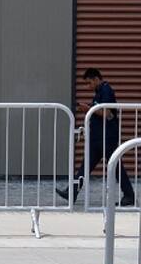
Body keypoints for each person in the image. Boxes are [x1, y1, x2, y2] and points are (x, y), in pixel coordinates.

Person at [58, 68, 135, 206]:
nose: (88, 86)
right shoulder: (100, 92)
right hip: (98, 138)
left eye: (89, 83)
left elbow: (105, 112)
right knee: (86, 166)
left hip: (106, 137)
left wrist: (88, 109)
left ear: (96, 79)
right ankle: (72, 192)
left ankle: (129, 196)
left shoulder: (106, 90)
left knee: (116, 166)